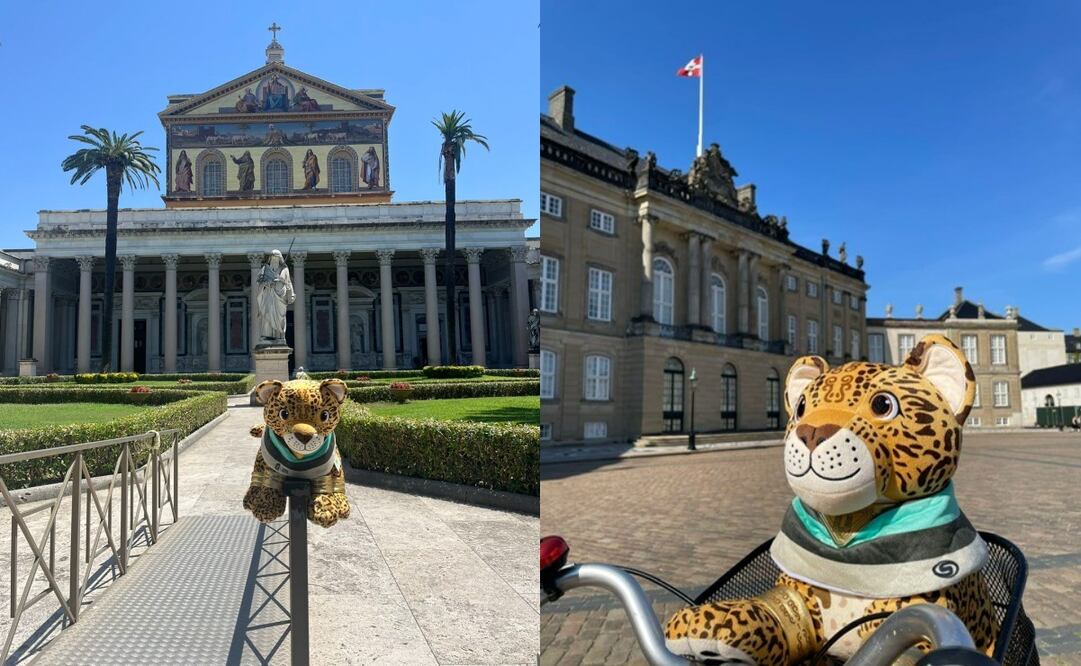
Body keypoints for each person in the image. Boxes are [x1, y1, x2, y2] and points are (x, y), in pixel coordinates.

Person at [257, 250, 296, 344]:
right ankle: (267, 336)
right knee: (267, 315)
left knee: (281, 317)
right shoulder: (265, 269)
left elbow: (288, 283)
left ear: (280, 259)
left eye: (276, 258)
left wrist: (291, 294)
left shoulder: (284, 270)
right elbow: (259, 283)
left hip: (280, 296)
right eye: (273, 258)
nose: (275, 260)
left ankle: (280, 336)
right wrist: (266, 283)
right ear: (270, 259)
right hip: (268, 295)